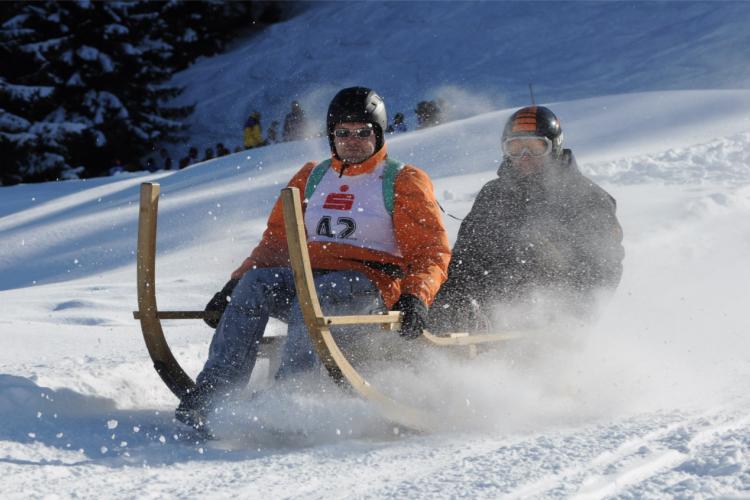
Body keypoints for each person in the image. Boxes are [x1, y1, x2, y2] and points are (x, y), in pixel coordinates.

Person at [176, 87, 451, 431]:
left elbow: (430, 251)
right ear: (331, 136)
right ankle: (215, 392)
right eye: (343, 133)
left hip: (371, 285)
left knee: (314, 298)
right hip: (309, 276)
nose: (352, 141)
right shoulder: (312, 176)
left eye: (363, 133)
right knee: (257, 283)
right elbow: (276, 242)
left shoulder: (401, 180)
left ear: (379, 135)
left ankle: (292, 394)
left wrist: (415, 298)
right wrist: (233, 285)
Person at [430, 106, 624, 333]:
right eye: (515, 148)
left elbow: (604, 267)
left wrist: (572, 319)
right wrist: (452, 302)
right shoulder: (493, 195)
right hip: (489, 318)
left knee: (541, 248)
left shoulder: (586, 198)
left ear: (555, 147)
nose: (524, 157)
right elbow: (465, 256)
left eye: (535, 148)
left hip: (551, 320)